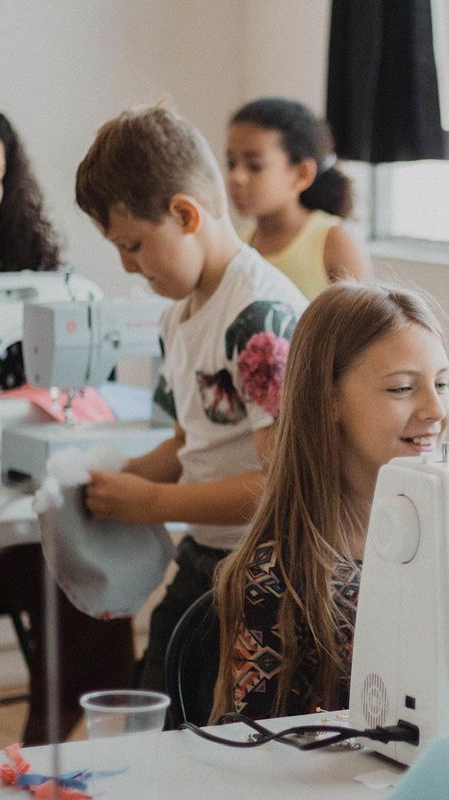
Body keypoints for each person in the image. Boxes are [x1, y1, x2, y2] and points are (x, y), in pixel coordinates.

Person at [74, 104, 309, 693]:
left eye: (132, 244)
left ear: (184, 214)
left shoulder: (257, 317)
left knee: (215, 725)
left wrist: (151, 502)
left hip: (270, 572)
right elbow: (192, 439)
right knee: (158, 693)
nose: (128, 265)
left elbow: (280, 485)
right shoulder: (179, 316)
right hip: (206, 554)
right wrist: (122, 481)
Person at [212, 282, 449, 720]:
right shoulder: (275, 580)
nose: (436, 409)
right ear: (328, 399)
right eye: (401, 389)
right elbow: (252, 755)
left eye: (442, 383)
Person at [0, 105, 134, 743]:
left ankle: (46, 735)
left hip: (5, 513)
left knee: (84, 560)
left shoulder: (33, 280)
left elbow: (75, 391)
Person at [226, 97, 369, 299]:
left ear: (302, 174)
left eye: (255, 166)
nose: (236, 177)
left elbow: (359, 325)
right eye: (231, 163)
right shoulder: (239, 245)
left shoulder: (333, 241)